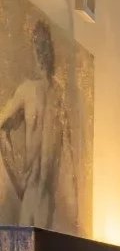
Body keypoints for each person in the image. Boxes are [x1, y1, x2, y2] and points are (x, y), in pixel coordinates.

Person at [0, 20, 79, 229]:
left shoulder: (51, 96)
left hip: (41, 198)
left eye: (43, 46)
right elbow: (2, 127)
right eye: (39, 46)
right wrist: (16, 176)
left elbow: (67, 154)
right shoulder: (36, 93)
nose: (42, 53)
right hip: (35, 195)